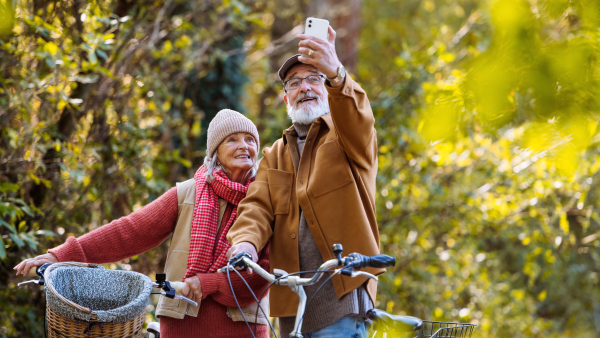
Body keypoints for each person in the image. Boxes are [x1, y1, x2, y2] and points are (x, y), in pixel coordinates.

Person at [15, 109, 271, 338]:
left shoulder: (267, 198)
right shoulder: (187, 194)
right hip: (182, 324)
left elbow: (266, 271)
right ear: (215, 150)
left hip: (244, 324)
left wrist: (209, 283)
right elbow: (130, 231)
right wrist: (59, 255)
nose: (243, 146)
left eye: (250, 140)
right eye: (232, 139)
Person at [227, 26, 382, 338]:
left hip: (343, 300)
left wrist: (335, 73)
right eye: (295, 83)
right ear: (286, 97)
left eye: (314, 79)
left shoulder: (348, 137)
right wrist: (244, 242)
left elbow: (358, 116)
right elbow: (256, 207)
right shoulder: (274, 155)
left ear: (328, 89)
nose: (305, 88)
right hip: (292, 308)